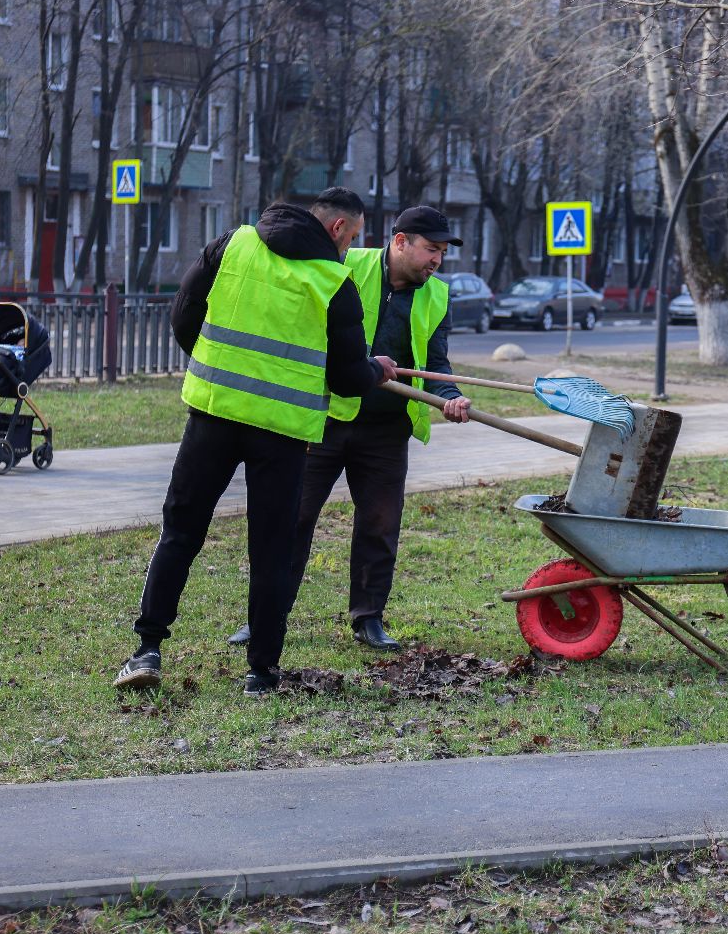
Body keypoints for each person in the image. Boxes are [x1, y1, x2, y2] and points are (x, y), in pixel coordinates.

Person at [116, 188, 396, 697]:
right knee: (271, 551)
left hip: (213, 415)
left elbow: (182, 316)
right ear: (336, 229)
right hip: (283, 434)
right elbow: (348, 378)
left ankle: (146, 649)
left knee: (180, 533)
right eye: (352, 237)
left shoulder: (232, 245)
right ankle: (261, 674)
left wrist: (220, 372)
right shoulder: (335, 282)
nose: (350, 248)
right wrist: (376, 370)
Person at [226, 205, 471, 654]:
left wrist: (451, 394)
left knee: (380, 524)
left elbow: (436, 363)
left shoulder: (437, 295)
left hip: (386, 431)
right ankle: (265, 616)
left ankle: (368, 618)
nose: (437, 261)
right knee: (292, 519)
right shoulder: (345, 266)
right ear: (400, 242)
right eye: (430, 250)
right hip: (326, 419)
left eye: (441, 253)